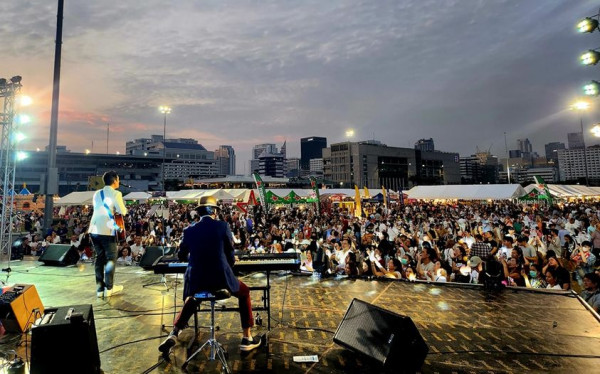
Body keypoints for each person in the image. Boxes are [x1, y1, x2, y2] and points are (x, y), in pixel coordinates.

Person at [158, 196, 262, 356]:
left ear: (199, 212)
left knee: (192, 298)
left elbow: (182, 255)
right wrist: (229, 265)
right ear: (214, 211)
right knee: (244, 292)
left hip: (196, 280)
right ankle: (247, 338)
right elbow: (230, 253)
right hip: (220, 279)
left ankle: (174, 333)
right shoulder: (222, 226)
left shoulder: (189, 230)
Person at [88, 170, 127, 298]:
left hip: (94, 229)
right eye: (118, 179)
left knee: (99, 258)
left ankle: (100, 289)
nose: (119, 181)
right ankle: (109, 288)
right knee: (111, 258)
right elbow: (123, 211)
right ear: (115, 180)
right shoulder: (116, 193)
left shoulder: (96, 193)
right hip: (107, 229)